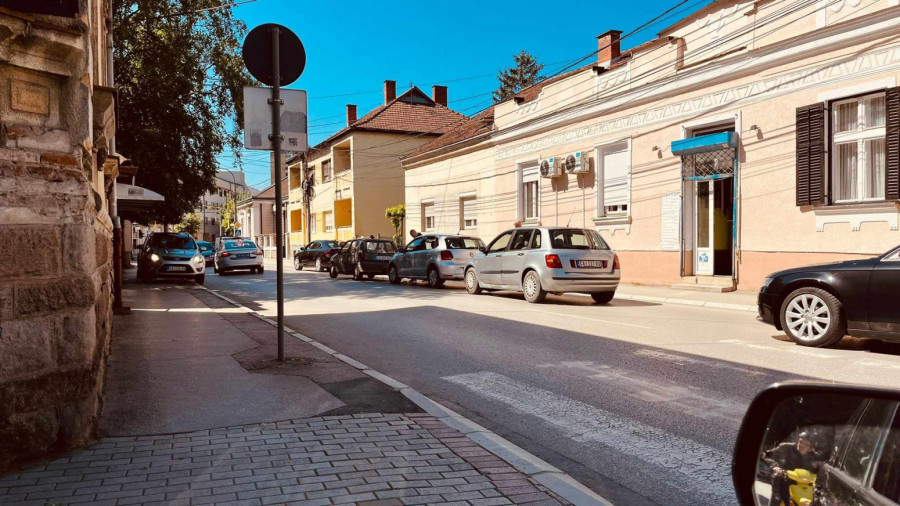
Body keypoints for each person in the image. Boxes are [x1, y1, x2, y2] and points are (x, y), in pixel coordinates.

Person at [762, 432, 823, 506]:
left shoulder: (815, 457)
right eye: (800, 442)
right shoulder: (786, 447)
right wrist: (775, 466)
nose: (801, 445)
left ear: (811, 447)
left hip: (801, 491)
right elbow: (766, 455)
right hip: (782, 485)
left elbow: (822, 475)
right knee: (775, 502)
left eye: (806, 444)